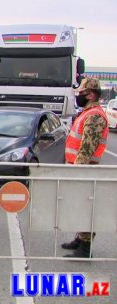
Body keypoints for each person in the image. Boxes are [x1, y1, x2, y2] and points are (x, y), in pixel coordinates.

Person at [61, 78, 109, 258]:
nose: (78, 97)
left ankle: (85, 247)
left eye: (81, 93)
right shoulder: (88, 112)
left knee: (85, 206)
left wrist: (77, 170)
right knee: (79, 205)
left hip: (84, 169)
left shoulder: (94, 115)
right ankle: (80, 239)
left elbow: (87, 147)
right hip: (79, 167)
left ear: (90, 94)